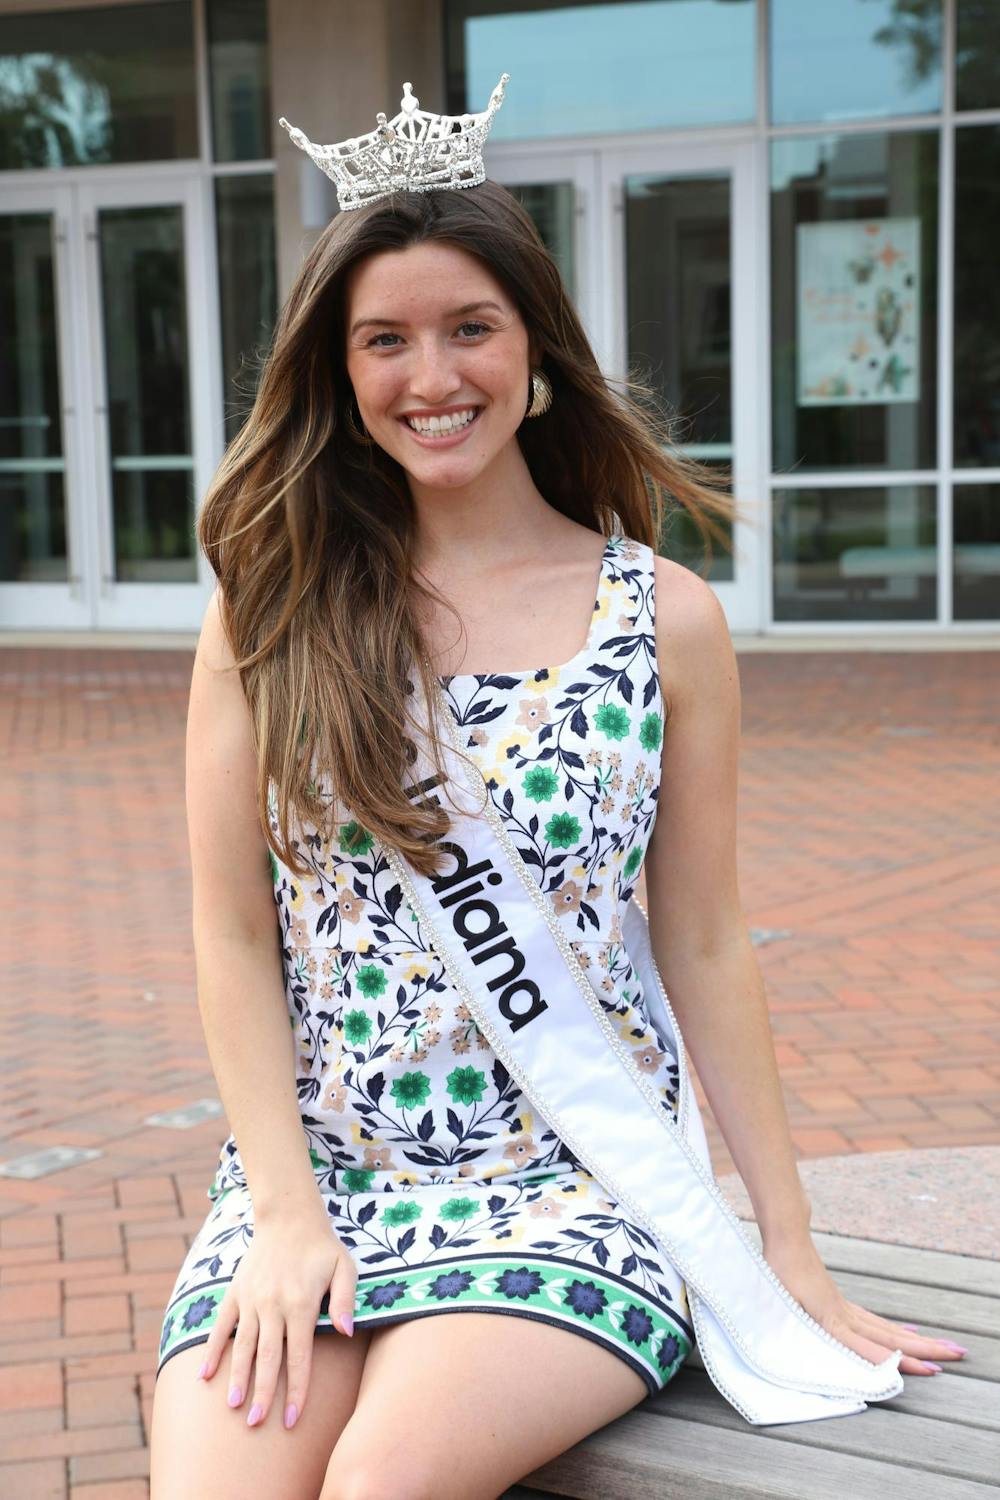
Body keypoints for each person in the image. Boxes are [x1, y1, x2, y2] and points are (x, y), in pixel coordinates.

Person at [149, 75, 965, 1500]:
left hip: (574, 1185)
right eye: (384, 340)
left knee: (379, 1489)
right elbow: (230, 933)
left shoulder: (666, 620)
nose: (433, 376)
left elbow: (704, 939)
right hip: (322, 1178)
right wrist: (281, 1213)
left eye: (471, 328)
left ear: (537, 350)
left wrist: (783, 1238)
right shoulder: (267, 610)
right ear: (339, 372)